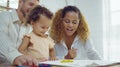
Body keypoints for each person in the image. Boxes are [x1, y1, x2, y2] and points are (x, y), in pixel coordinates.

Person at [0, 0, 40, 66]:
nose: (33, 9)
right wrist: (16, 56)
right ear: (20, 2)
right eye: (31, 4)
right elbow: (1, 38)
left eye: (36, 7)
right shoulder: (3, 16)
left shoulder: (31, 26)